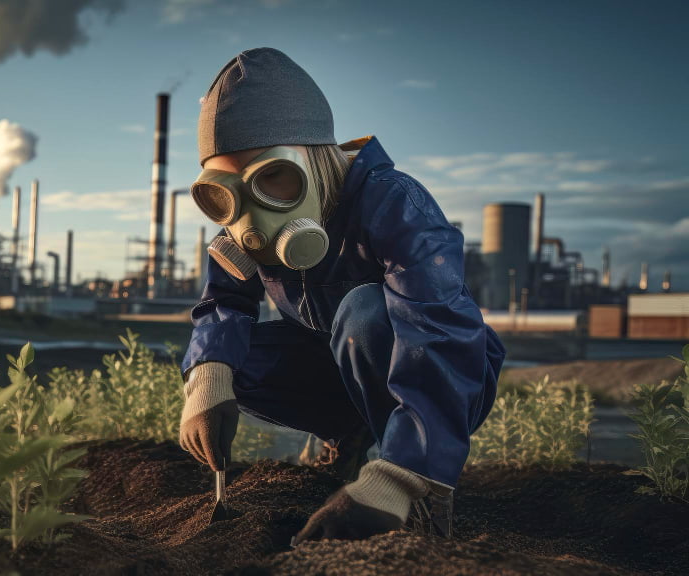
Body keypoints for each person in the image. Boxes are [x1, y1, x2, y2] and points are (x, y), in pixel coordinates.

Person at [177, 47, 506, 541]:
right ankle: (351, 443)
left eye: (272, 178)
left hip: (444, 377)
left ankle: (415, 478)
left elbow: (438, 333)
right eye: (225, 192)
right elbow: (223, 306)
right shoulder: (239, 234)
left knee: (364, 312)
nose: (251, 216)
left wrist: (402, 480)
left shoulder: (392, 202)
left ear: (314, 156)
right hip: (338, 366)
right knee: (229, 358)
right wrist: (207, 379)